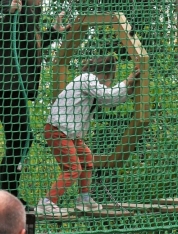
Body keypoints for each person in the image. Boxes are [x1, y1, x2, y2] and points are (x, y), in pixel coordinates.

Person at [36, 55, 140, 216]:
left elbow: (110, 101)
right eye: (110, 79)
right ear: (105, 75)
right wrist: (127, 80)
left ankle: (84, 199)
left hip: (70, 133)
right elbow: (108, 95)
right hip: (58, 130)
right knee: (73, 168)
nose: (110, 83)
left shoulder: (91, 87)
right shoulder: (87, 78)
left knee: (86, 158)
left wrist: (129, 88)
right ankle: (47, 203)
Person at [0, 0, 71, 210]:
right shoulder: (10, 1)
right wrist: (9, 15)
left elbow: (31, 44)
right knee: (22, 138)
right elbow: (5, 35)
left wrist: (54, 31)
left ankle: (7, 193)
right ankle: (6, 194)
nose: (42, 1)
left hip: (15, 86)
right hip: (7, 85)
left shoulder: (30, 11)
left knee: (21, 139)